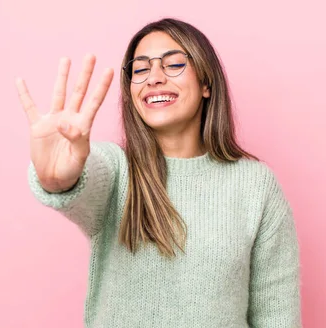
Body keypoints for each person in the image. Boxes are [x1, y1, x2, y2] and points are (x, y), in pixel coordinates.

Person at [16, 18, 301, 328]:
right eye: (140, 69)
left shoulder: (255, 185)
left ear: (206, 83)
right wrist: (55, 179)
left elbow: (277, 317)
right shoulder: (116, 170)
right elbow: (79, 181)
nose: (153, 78)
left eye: (173, 64)